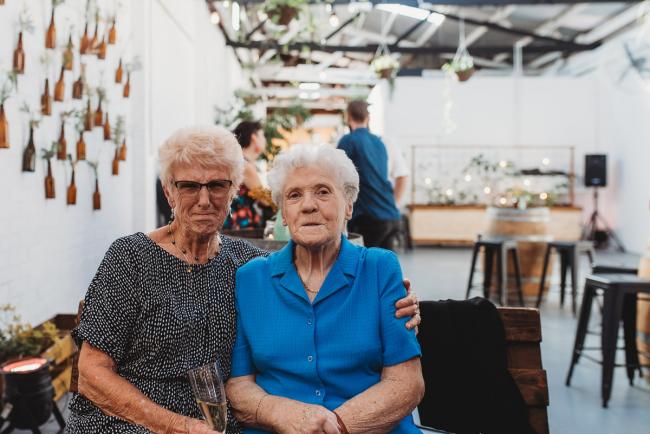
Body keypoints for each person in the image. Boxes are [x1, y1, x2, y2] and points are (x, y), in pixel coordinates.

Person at [66, 125, 421, 434]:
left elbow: (312, 282)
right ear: (168, 191)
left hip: (218, 423)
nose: (204, 199)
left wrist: (399, 300)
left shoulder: (246, 263)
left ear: (235, 191)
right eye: (189, 186)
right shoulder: (131, 258)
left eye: (217, 185)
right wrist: (174, 427)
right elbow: (92, 372)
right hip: (132, 421)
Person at [226, 145, 424, 434]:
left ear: (348, 205)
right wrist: (284, 414)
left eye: (322, 191)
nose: (308, 205)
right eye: (294, 195)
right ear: (283, 213)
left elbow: (406, 383)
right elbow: (240, 385)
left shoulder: (380, 269)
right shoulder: (251, 278)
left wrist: (336, 426)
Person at [337, 100, 402, 249]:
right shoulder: (379, 143)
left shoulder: (348, 141)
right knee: (383, 267)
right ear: (368, 118)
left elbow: (337, 176)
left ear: (348, 117)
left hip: (369, 217)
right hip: (391, 215)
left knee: (362, 265)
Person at [223, 121, 274, 230]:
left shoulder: (238, 160)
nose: (265, 140)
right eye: (262, 136)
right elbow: (264, 199)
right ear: (254, 137)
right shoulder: (244, 165)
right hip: (242, 224)